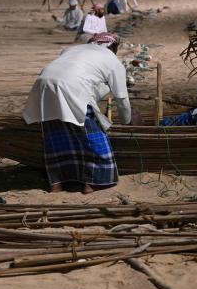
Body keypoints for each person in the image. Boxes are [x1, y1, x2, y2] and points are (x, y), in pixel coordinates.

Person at [23, 32, 133, 194]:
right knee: (93, 137)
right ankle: (93, 184)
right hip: (71, 86)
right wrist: (127, 122)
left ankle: (57, 184)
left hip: (44, 84)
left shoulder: (71, 50)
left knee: (56, 135)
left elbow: (87, 80)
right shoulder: (113, 61)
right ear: (113, 47)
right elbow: (122, 98)